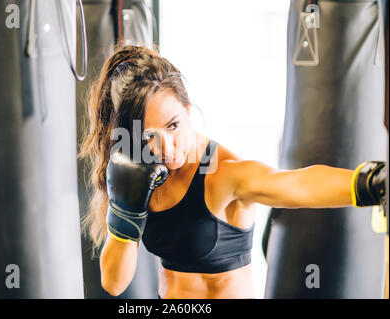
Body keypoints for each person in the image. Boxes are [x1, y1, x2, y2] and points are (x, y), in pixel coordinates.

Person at [79, 44, 387, 299]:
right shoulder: (139, 170)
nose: (166, 148)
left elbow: (298, 185)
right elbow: (114, 282)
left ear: (188, 110)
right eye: (148, 136)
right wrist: (125, 210)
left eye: (173, 126)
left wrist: (370, 183)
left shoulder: (223, 173)